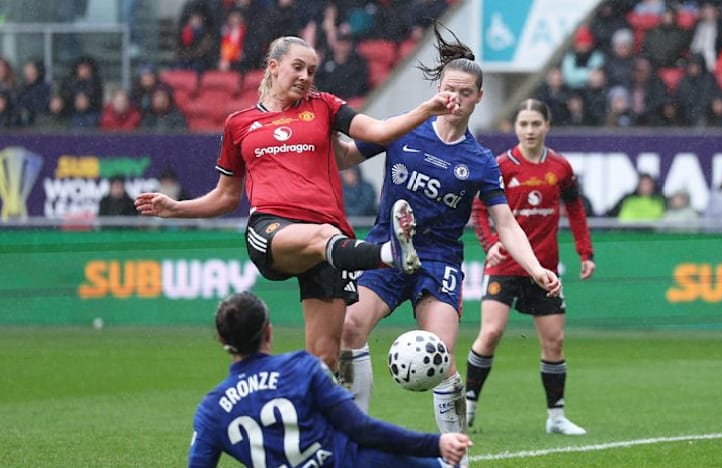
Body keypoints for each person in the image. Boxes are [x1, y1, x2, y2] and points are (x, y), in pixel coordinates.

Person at [135, 36, 461, 372]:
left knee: (326, 359)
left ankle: (324, 422)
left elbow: (377, 131)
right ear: (273, 67)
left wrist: (425, 110)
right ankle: (389, 255)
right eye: (298, 67)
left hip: (331, 241)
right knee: (321, 237)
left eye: (312, 70)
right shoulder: (239, 123)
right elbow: (225, 197)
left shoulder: (324, 106)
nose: (306, 76)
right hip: (273, 229)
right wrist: (176, 208)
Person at [335, 23, 560, 445]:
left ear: (479, 97)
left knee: (440, 357)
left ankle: (456, 452)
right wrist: (320, 128)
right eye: (448, 89)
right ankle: (356, 439)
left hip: (437, 262)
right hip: (385, 249)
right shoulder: (405, 128)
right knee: (348, 328)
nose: (454, 99)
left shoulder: (480, 161)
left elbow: (505, 223)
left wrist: (534, 268)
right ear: (438, 88)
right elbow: (346, 156)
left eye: (465, 93)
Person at [189, 291, 472, 468]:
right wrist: (436, 444)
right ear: (268, 332)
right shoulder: (302, 368)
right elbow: (362, 429)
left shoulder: (211, 410)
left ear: (222, 340)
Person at [464, 98, 594, 436]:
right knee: (491, 333)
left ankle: (556, 418)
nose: (530, 130)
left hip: (545, 269)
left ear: (547, 126)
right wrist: (490, 244)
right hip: (505, 266)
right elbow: (479, 210)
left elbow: (576, 211)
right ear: (515, 128)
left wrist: (585, 252)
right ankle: (469, 405)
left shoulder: (561, 168)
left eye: (536, 123)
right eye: (523, 124)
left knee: (555, 342)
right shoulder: (501, 166)